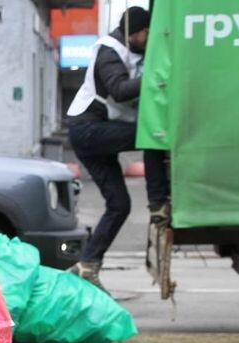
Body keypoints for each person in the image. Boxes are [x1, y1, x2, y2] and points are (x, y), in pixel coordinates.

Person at [65, 6, 170, 293]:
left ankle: (88, 265)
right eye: (146, 33)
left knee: (120, 205)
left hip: (97, 132)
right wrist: (158, 78)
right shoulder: (109, 50)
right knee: (151, 135)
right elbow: (120, 90)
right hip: (87, 130)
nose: (148, 39)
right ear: (133, 31)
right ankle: (158, 202)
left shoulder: (134, 50)